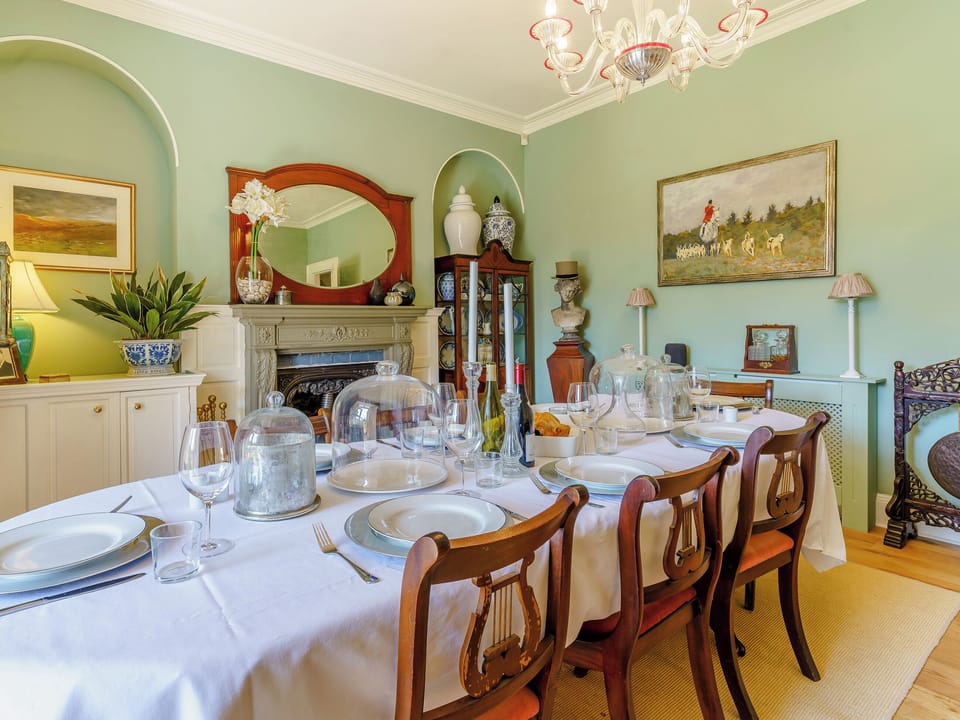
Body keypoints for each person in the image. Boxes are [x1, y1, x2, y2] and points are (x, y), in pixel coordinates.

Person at [550, 261, 586, 339]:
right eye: (564, 290)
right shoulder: (554, 313)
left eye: (571, 291)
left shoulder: (581, 313)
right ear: (558, 290)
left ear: (576, 291)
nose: (567, 294)